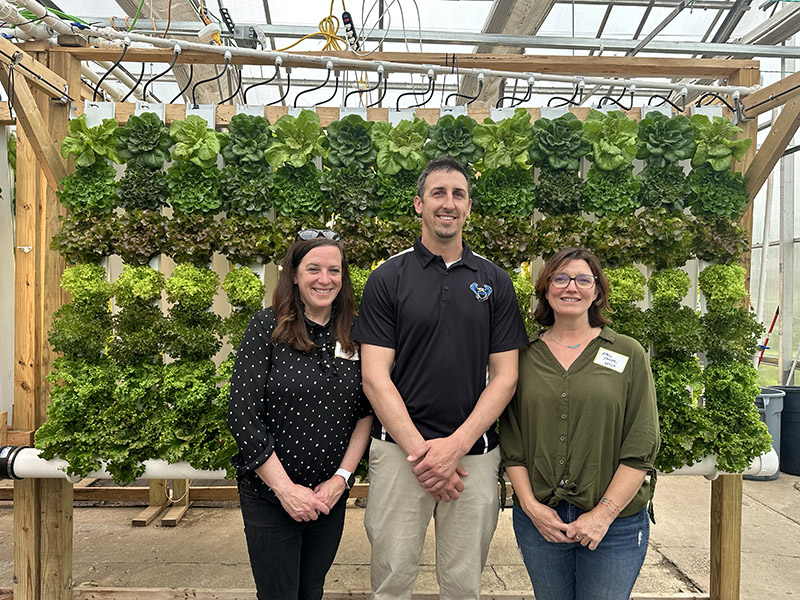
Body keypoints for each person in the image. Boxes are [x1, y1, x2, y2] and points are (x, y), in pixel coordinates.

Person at [352, 157, 530, 600]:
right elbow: (374, 377)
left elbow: (505, 378)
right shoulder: (387, 278)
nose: (448, 203)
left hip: (474, 455)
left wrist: (453, 448)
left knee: (464, 584)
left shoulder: (495, 281)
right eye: (438, 193)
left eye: (458, 194)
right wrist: (424, 456)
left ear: (469, 207)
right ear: (418, 204)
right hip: (399, 454)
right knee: (391, 581)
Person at [500, 247, 660, 600]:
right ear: (545, 289)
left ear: (598, 291)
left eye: (583, 279)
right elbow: (513, 444)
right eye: (560, 278)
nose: (570, 287)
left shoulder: (627, 352)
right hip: (542, 520)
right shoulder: (523, 358)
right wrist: (529, 506)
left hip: (614, 524)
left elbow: (641, 444)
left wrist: (603, 514)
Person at [228, 230, 373, 600]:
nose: (325, 279)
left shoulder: (356, 332)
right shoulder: (267, 327)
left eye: (334, 270)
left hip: (328, 496)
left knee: (311, 590)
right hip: (270, 495)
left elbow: (365, 412)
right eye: (314, 269)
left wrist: (341, 480)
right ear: (293, 274)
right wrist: (286, 490)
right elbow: (242, 415)